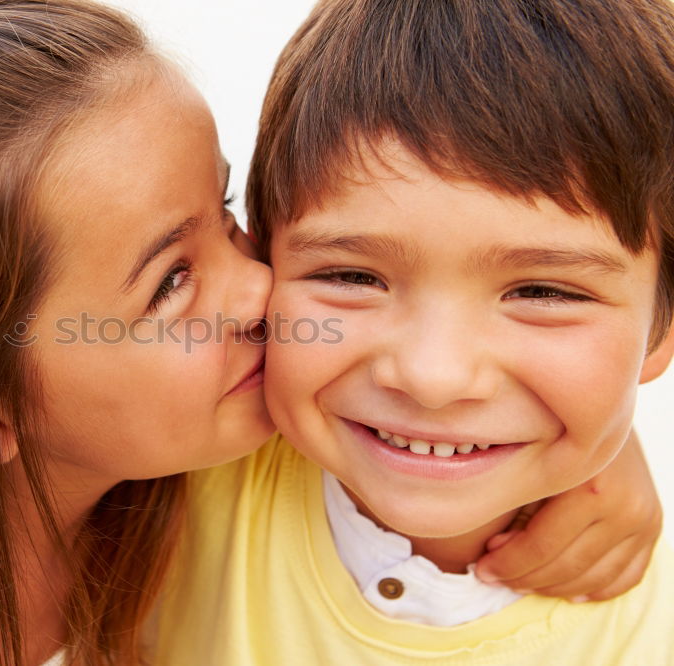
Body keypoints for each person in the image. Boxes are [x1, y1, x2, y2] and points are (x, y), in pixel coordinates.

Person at [0, 0, 664, 664]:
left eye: (227, 212)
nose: (264, 288)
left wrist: (590, 446)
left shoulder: (201, 475)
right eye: (172, 280)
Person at [151, 0, 674, 663]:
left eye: (543, 291)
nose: (433, 377)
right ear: (263, 263)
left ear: (662, 324)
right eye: (353, 278)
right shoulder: (173, 484)